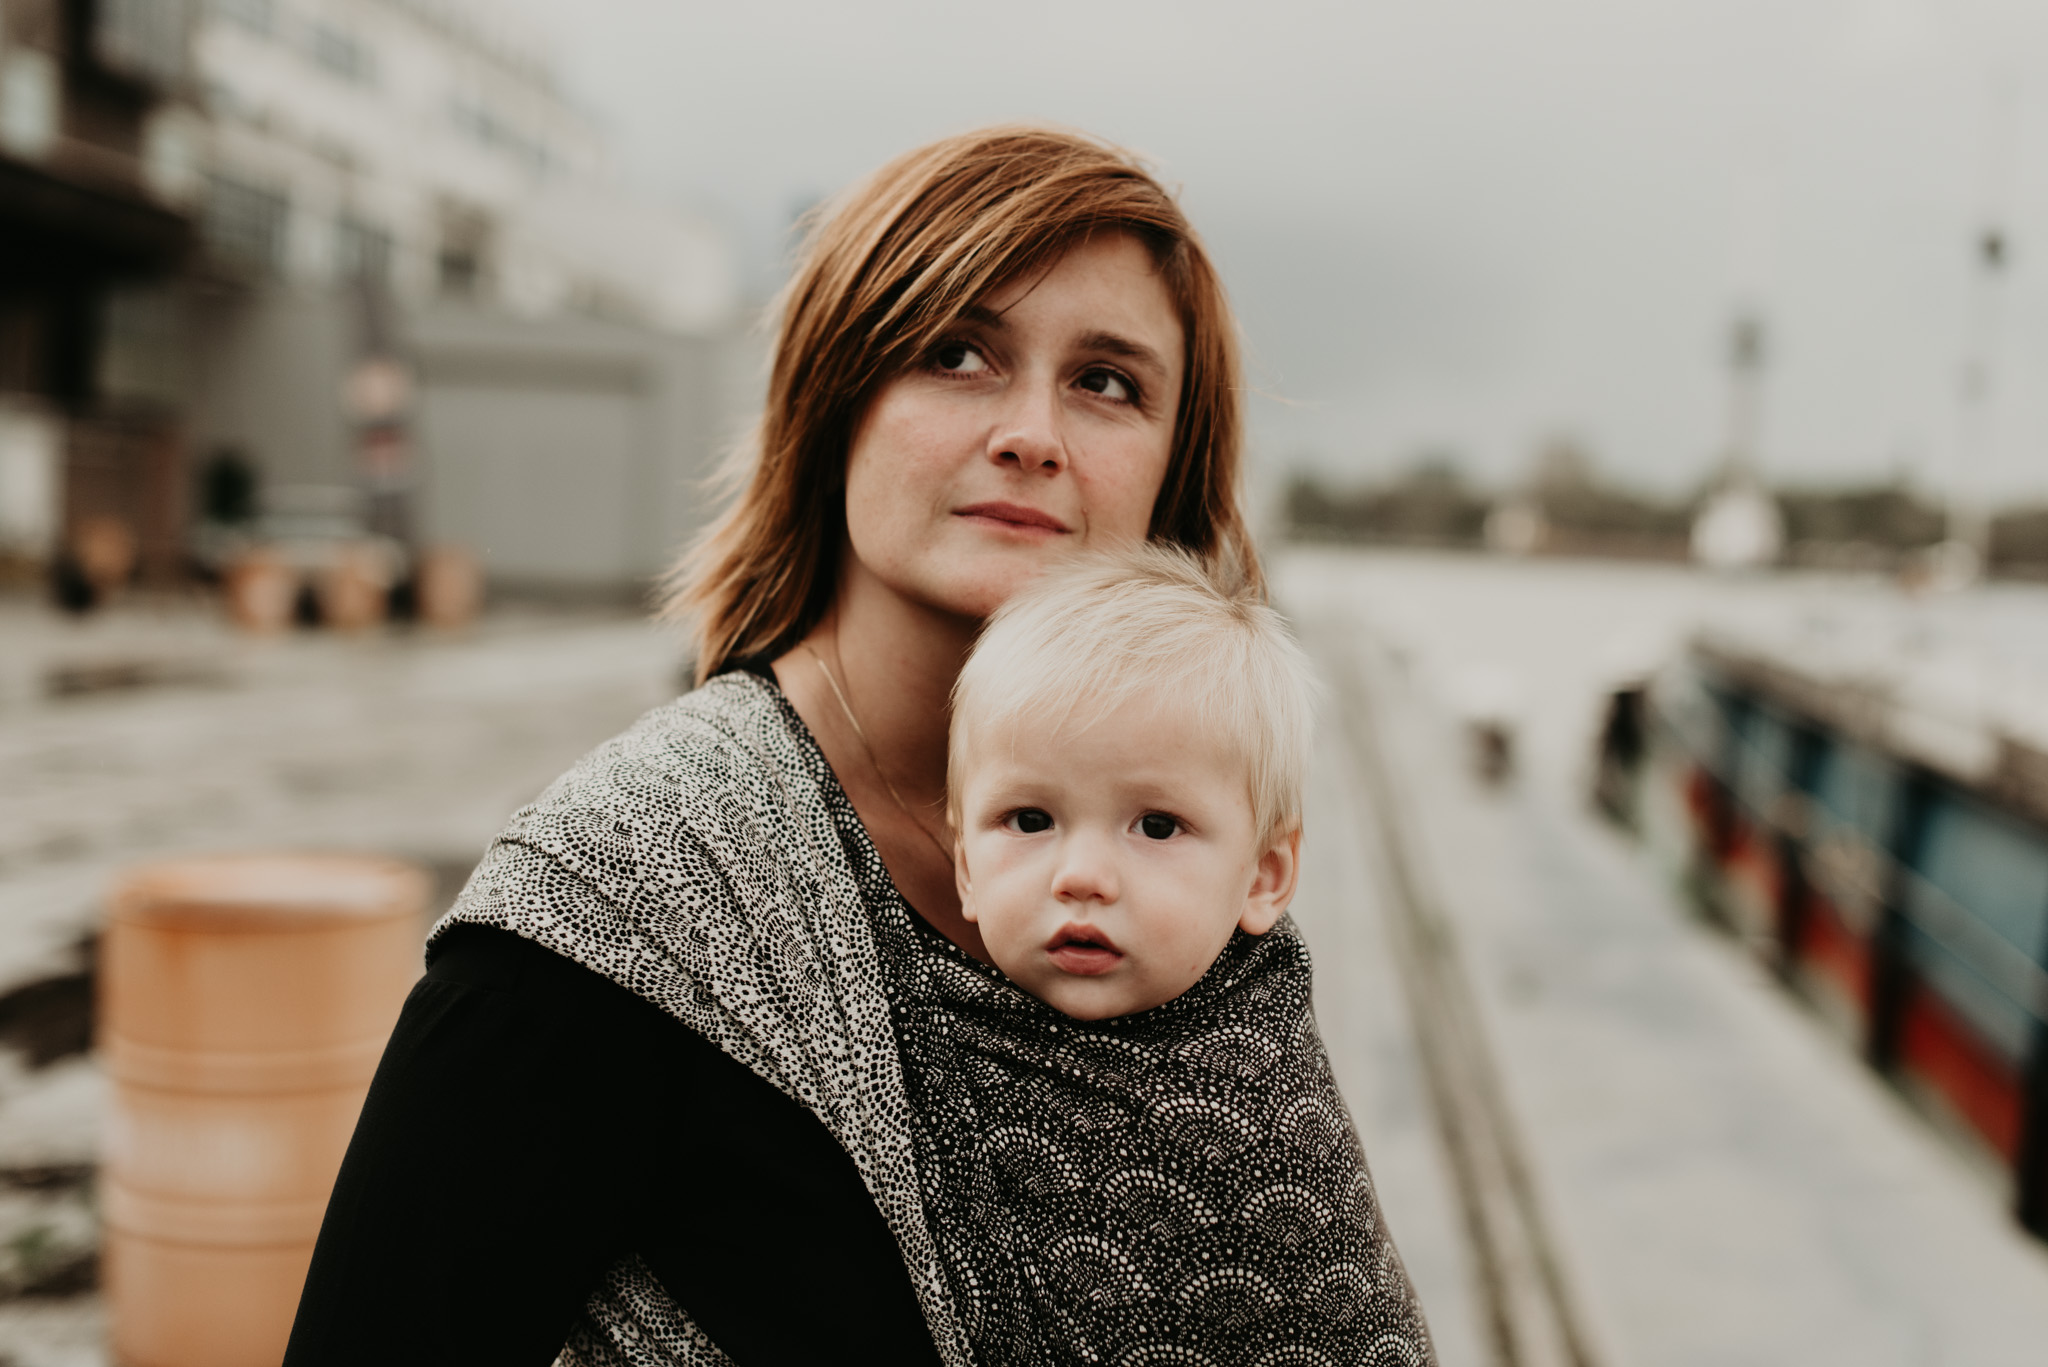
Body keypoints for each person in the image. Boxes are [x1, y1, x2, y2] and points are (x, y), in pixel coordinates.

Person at [285, 124, 1431, 1367]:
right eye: (955, 354)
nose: (1032, 432)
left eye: (1107, 382)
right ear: (835, 399)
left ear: (1172, 471)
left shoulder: (1198, 888)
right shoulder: (636, 887)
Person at [946, 544, 1312, 1021]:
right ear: (967, 868)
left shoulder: (1257, 1080)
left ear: (1264, 875)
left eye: (1157, 826)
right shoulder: (930, 1023)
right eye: (1031, 820)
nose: (1081, 878)